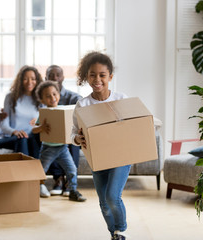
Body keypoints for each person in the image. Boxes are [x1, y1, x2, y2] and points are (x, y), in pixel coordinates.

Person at [71, 51, 129, 240]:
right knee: (104, 202)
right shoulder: (83, 104)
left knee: (113, 196)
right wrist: (78, 139)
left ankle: (121, 229)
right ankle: (114, 234)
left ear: (110, 76)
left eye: (102, 75)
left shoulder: (121, 99)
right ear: (86, 77)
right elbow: (74, 132)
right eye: (92, 75)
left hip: (121, 156)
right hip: (98, 158)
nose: (97, 79)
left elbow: (133, 128)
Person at [32, 80, 86, 202]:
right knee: (42, 169)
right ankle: (39, 186)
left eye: (54, 94)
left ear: (59, 95)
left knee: (71, 169)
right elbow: (34, 130)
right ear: (42, 100)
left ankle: (73, 190)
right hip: (48, 148)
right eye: (48, 96)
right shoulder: (44, 113)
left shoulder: (64, 110)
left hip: (62, 148)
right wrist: (41, 127)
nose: (52, 97)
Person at [45, 65, 83, 197]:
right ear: (46, 78)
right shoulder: (43, 99)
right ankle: (58, 179)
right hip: (51, 135)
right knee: (50, 143)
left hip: (70, 134)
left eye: (58, 75)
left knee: (72, 139)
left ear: (63, 77)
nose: (55, 78)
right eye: (51, 75)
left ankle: (69, 183)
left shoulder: (74, 97)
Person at [0, 65, 42, 158]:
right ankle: (24, 171)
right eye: (25, 79)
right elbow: (4, 125)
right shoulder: (11, 97)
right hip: (7, 137)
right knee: (22, 139)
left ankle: (37, 170)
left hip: (29, 138)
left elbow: (43, 122)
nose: (29, 82)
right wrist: (15, 132)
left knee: (32, 140)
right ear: (20, 81)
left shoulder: (40, 100)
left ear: (37, 81)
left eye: (33, 79)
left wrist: (38, 122)